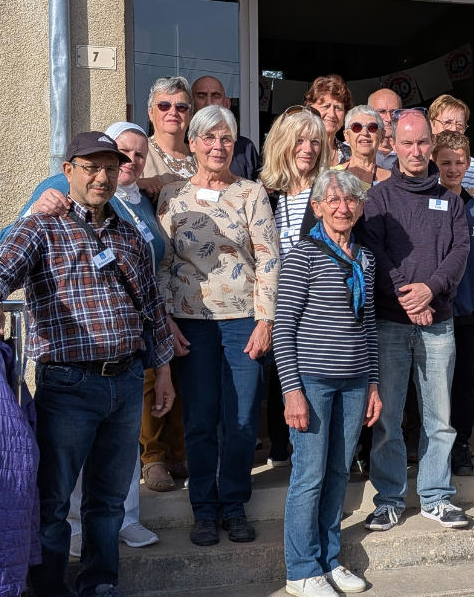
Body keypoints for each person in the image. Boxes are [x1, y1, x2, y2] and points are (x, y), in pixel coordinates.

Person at [0, 131, 176, 597]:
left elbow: (151, 306)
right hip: (68, 385)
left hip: (126, 381)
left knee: (108, 501)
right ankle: (50, 590)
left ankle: (99, 583)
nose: (102, 177)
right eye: (91, 168)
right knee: (54, 502)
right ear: (69, 171)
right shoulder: (41, 227)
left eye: (110, 168)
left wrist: (162, 370)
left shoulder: (128, 233)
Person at [156, 105, 279, 547]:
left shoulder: (251, 192)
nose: (218, 146)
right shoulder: (171, 196)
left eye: (226, 138)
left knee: (242, 419)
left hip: (244, 320)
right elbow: (163, 264)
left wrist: (265, 320)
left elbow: (268, 257)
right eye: (208, 137)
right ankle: (204, 510)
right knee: (200, 420)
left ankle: (234, 504)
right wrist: (166, 319)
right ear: (193, 143)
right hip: (192, 323)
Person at [357, 107, 470, 532]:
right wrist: (409, 295)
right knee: (387, 419)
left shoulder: (451, 201)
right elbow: (374, 253)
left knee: (439, 418)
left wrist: (430, 289)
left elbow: (460, 253)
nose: (416, 151)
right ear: (394, 145)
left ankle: (436, 496)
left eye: (423, 142)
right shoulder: (378, 199)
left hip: (438, 322)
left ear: (432, 143)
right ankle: (388, 498)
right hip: (390, 322)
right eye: (407, 143)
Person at [275, 170, 382, 597]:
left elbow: (368, 326)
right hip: (313, 383)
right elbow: (284, 329)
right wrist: (292, 391)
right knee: (309, 476)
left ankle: (329, 560)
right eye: (333, 201)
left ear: (360, 207)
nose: (343, 207)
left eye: (351, 200)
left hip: (355, 382)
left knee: (338, 472)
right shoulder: (303, 256)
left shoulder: (365, 258)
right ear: (316, 207)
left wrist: (373, 383)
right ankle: (301, 571)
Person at [259, 106, 331, 467]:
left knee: (309, 383)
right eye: (300, 140)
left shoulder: (328, 191)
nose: (308, 148)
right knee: (277, 376)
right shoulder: (264, 193)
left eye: (315, 142)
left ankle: (309, 457)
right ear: (282, 143)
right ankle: (279, 443)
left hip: (314, 307)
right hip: (272, 303)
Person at [434, 131, 474, 477]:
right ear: (434, 163)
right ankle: (433, 446)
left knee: (466, 384)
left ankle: (461, 444)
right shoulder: (427, 205)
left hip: (469, 310)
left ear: (469, 164)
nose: (453, 169)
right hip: (433, 312)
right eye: (445, 162)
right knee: (434, 384)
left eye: (459, 162)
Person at [192, 75, 262, 180]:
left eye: (215, 96)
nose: (209, 103)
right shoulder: (181, 146)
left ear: (227, 103)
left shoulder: (245, 148)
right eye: (201, 96)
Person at [140, 76, 196, 196]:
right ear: (150, 113)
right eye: (164, 105)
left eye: (181, 107)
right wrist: (136, 183)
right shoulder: (139, 154)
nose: (173, 112)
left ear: (190, 116)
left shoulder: (200, 157)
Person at [428, 94, 474, 199]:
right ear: (431, 124)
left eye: (459, 124)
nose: (454, 129)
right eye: (447, 122)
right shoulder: (419, 164)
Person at [332, 105, 392, 189]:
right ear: (346, 136)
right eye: (357, 127)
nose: (365, 133)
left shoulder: (392, 180)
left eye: (372, 127)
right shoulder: (331, 177)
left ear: (382, 135)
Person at [305, 74, 353, 166]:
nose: (332, 114)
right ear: (311, 109)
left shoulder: (351, 155)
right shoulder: (300, 151)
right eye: (326, 106)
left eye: (338, 108)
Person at [368, 88, 402, 170]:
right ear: (368, 114)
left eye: (394, 112)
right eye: (382, 112)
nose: (389, 119)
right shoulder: (351, 149)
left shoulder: (413, 150)